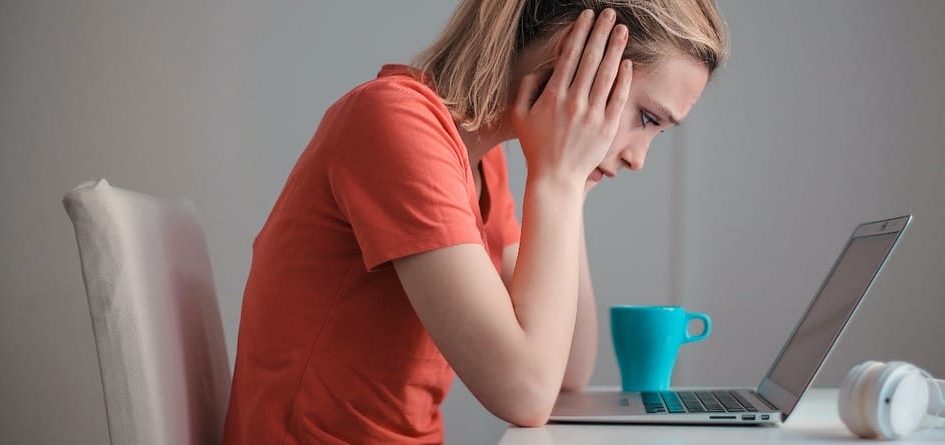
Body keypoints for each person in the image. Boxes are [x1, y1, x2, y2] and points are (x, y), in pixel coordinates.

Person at [222, 0, 728, 443]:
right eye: (647, 119)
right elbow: (525, 392)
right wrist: (557, 181)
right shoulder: (394, 122)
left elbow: (567, 371)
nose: (640, 158)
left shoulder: (481, 164)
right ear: (575, 58)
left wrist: (569, 186)